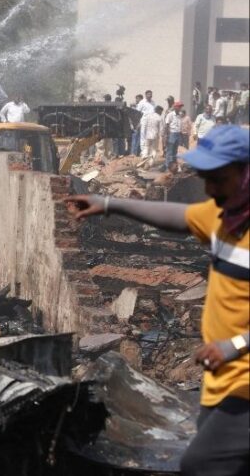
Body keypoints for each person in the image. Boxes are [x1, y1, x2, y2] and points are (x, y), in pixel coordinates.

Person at [65, 126, 248, 476]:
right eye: (205, 179)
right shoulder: (224, 217)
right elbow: (179, 217)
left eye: (218, 180)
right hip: (221, 379)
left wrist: (234, 345)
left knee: (202, 463)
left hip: (243, 381)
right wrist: (107, 204)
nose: (209, 190)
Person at [164, 101, 185, 171]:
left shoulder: (180, 115)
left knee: (175, 151)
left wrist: (181, 135)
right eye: (179, 107)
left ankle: (173, 166)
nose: (180, 108)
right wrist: (167, 135)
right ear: (175, 107)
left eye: (181, 107)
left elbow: (180, 126)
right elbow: (167, 125)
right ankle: (167, 166)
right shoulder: (170, 115)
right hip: (172, 133)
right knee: (169, 151)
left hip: (178, 134)